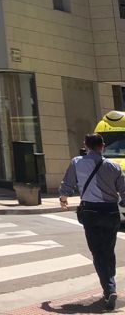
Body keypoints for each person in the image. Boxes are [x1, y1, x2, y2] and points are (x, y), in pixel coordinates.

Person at [60, 133, 125, 310]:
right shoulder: (114, 166)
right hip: (111, 212)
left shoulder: (77, 162)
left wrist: (63, 197)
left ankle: (109, 289)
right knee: (108, 250)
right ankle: (110, 285)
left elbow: (68, 182)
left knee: (97, 252)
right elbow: (124, 191)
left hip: (91, 212)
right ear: (102, 146)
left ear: (86, 145)